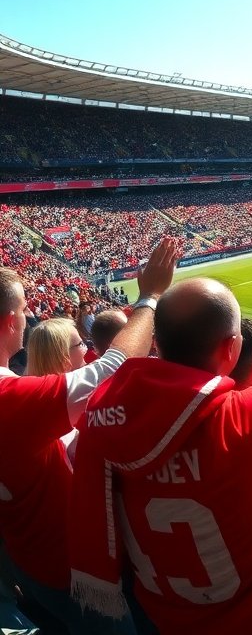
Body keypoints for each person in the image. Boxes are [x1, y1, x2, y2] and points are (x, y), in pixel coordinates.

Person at [68, 199, 252, 634]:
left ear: (158, 345)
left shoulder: (106, 413)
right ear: (231, 350)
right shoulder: (248, 417)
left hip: (167, 618)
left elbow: (116, 363)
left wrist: (149, 297)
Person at [0, 237, 180, 635]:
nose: (29, 315)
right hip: (68, 571)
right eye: (25, 308)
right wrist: (149, 297)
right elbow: (112, 368)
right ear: (11, 321)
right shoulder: (10, 400)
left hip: (27, 556)